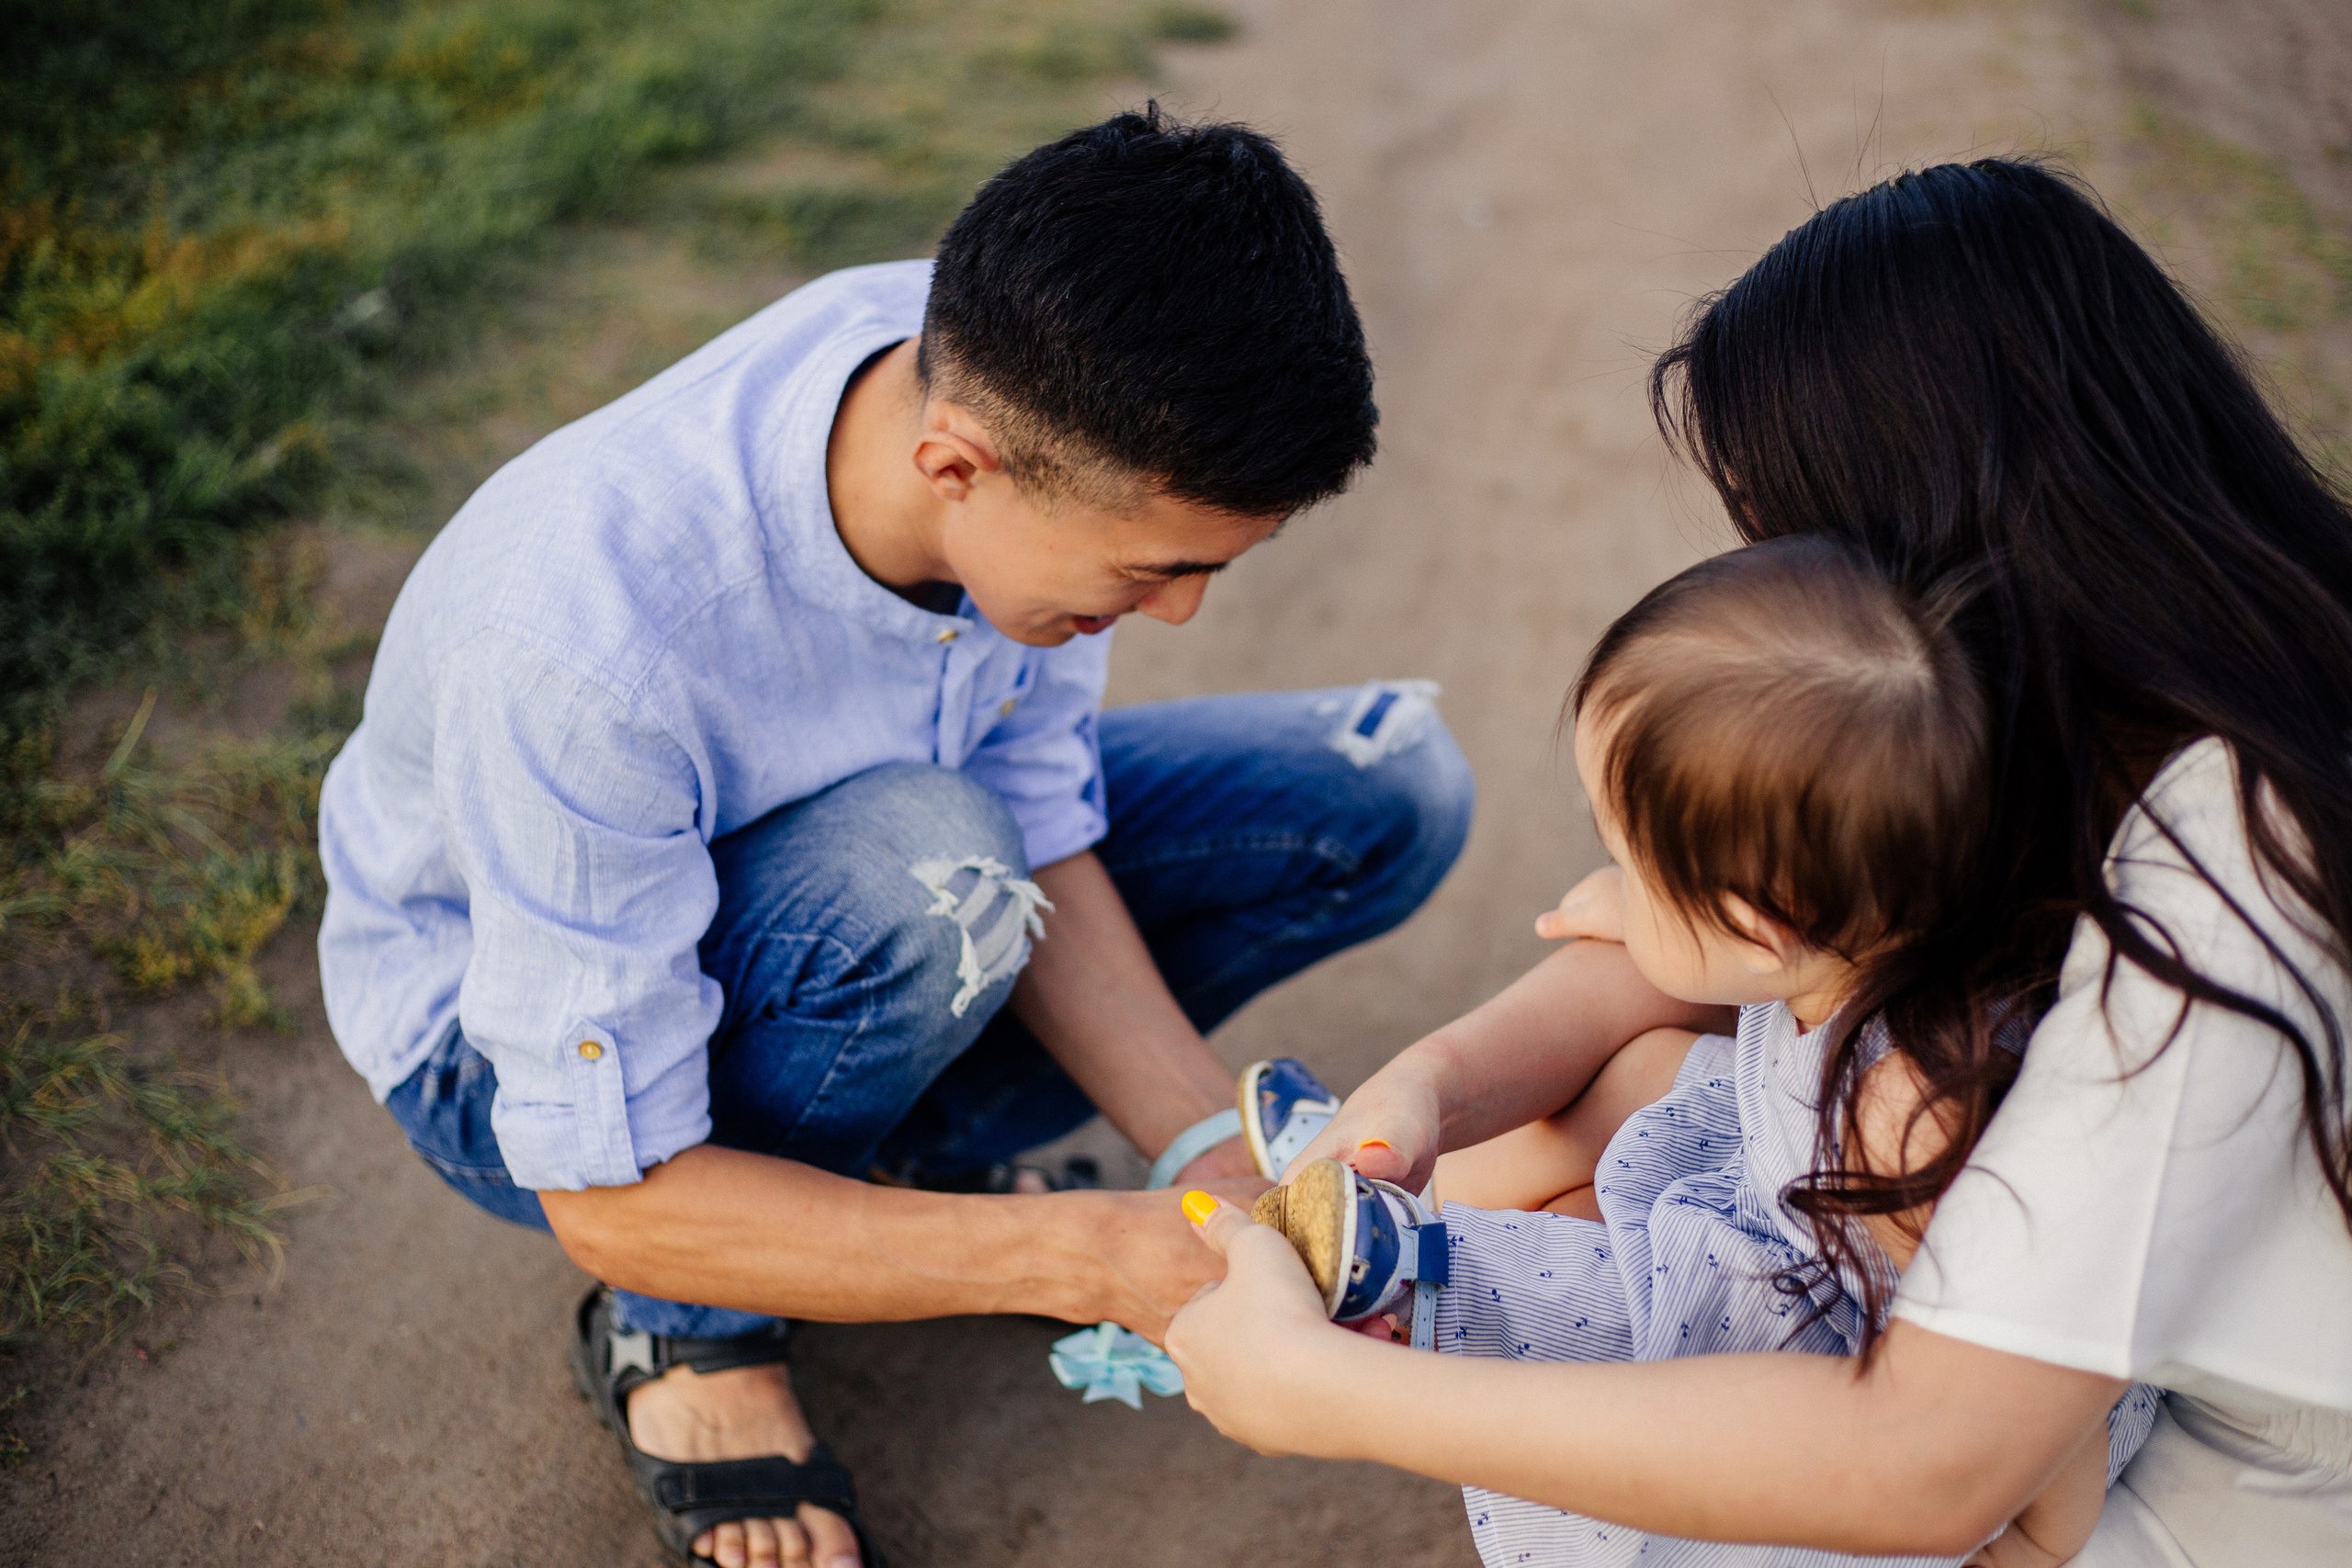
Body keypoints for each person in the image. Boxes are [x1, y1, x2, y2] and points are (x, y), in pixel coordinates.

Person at [316, 108, 1475, 1568]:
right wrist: (1084, 1255)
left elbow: (1043, 816)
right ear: (958, 463)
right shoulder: (578, 645)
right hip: (509, 1050)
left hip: (893, 870)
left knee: (1389, 786)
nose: (1182, 611)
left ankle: (860, 1187)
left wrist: (1203, 1162)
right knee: (933, 871)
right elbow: (603, 1194)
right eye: (1155, 569)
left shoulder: (1008, 372)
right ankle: (695, 1339)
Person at [1164, 156, 2352, 1566]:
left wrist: (1334, 1394)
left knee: (1626, 1143)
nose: (1777, 573)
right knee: (1638, 1091)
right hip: (2033, 1374)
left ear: (1934, 525)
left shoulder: (2220, 884)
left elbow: (1934, 1464)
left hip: (2207, 1502)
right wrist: (1427, 1083)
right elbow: (1675, 961)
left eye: (1786, 524)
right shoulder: (2125, 710)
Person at [1238, 536, 2160, 1566]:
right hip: (1790, 1190)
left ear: (1758, 926)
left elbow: (2036, 1348)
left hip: (1872, 1370)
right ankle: (1374, 1197)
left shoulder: (1909, 1121)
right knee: (1630, 1085)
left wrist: (2039, 1539)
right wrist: (1641, 917)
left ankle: (1410, 1270)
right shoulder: (1870, 938)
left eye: (1632, 860)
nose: (1611, 876)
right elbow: (1680, 981)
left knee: (1597, 1309)